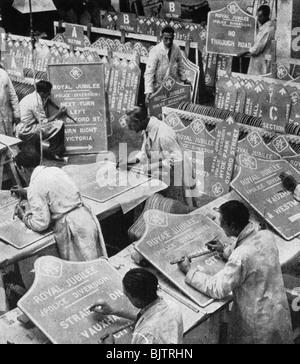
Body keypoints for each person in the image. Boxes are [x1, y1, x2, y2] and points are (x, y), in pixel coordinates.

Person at [178, 200, 293, 344]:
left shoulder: (240, 257)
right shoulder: (266, 236)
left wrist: (189, 271)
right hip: (277, 311)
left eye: (222, 222)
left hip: (257, 323)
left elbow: (217, 288)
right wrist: (224, 249)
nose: (220, 225)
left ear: (232, 226)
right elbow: (251, 250)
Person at [12, 150, 107, 262]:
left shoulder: (34, 186)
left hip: (71, 228)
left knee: (81, 268)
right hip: (85, 218)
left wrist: (23, 216)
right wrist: (27, 193)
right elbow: (53, 193)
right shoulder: (54, 170)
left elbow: (41, 223)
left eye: (19, 170)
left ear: (22, 168)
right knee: (96, 261)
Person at [121, 106, 193, 207]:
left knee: (175, 207)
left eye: (130, 125)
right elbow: (144, 153)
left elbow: (176, 159)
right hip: (162, 176)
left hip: (175, 178)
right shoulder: (148, 128)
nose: (129, 128)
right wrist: (128, 162)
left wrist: (153, 166)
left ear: (137, 121)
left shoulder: (164, 135)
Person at [90, 268, 183, 344]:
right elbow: (147, 318)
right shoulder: (172, 305)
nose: (127, 298)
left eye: (127, 295)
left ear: (137, 299)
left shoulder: (145, 335)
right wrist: (112, 311)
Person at [16, 80, 66, 161]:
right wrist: (59, 113)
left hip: (21, 127)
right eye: (48, 93)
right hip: (27, 130)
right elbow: (44, 121)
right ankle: (54, 153)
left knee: (51, 125)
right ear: (42, 93)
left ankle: (43, 151)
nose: (49, 95)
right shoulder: (36, 102)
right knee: (59, 124)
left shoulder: (30, 96)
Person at [144, 26, 191, 105]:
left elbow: (180, 65)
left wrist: (184, 79)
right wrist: (148, 91)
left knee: (172, 107)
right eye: (166, 39)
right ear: (161, 37)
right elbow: (149, 73)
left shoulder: (176, 48)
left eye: (171, 39)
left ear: (173, 37)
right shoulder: (155, 51)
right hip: (159, 86)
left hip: (172, 85)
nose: (168, 41)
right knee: (158, 109)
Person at [238, 5, 276, 76]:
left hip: (261, 61)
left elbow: (257, 48)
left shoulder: (268, 29)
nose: (258, 19)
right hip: (258, 61)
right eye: (258, 16)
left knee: (259, 79)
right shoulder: (263, 27)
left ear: (266, 16)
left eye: (260, 16)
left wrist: (244, 51)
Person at [0, 67, 21, 136]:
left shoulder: (3, 74)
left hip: (6, 115)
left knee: (9, 138)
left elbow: (12, 95)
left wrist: (17, 114)